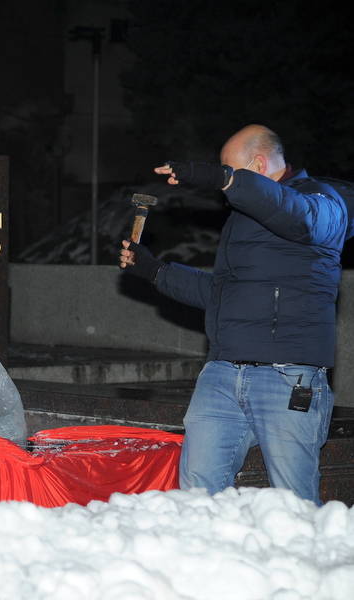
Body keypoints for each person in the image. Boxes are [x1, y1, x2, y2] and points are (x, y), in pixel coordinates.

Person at [119, 124, 347, 504]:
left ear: (257, 165)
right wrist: (155, 271)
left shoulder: (322, 203)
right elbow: (221, 294)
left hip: (287, 379)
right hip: (223, 374)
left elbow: (292, 213)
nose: (224, 188)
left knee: (295, 506)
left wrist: (222, 178)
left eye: (232, 173)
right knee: (196, 496)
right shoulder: (243, 219)